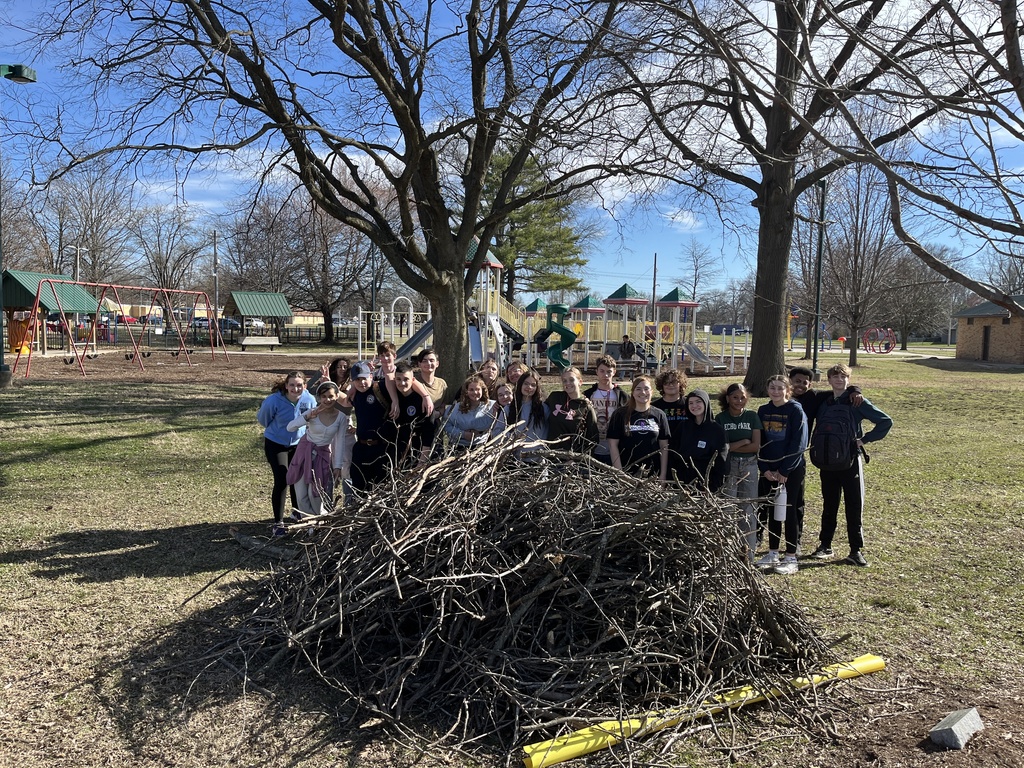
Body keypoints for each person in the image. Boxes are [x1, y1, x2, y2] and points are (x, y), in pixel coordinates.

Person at [810, 363, 893, 567]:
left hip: (850, 461)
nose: (839, 380)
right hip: (827, 461)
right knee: (829, 504)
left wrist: (864, 440)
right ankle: (825, 545)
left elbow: (885, 421)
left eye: (843, 377)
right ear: (828, 380)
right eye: (835, 376)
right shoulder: (823, 401)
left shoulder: (857, 402)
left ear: (849, 380)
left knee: (854, 505)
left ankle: (855, 550)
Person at [754, 375, 808, 575]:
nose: (776, 391)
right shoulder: (763, 410)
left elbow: (798, 443)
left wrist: (785, 470)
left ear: (787, 390)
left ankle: (791, 556)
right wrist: (765, 469)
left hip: (790, 471)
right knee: (772, 511)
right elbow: (759, 441)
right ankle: (773, 552)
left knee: (790, 512)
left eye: (780, 388)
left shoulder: (795, 410)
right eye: (772, 388)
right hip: (769, 470)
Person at [256, 371, 317, 536]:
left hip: (299, 444)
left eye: (299, 385)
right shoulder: (273, 401)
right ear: (286, 385)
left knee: (297, 478)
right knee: (282, 478)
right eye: (292, 385)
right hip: (276, 444)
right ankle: (278, 523)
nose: (295, 388)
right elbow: (263, 419)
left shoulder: (309, 400)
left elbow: (312, 420)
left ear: (304, 386)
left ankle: (297, 512)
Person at [286, 381, 350, 516]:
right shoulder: (313, 412)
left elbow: (340, 442)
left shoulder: (341, 418)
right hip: (304, 452)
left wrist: (338, 466)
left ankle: (318, 520)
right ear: (319, 398)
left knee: (315, 493)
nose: (327, 400)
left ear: (337, 396)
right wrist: (307, 417)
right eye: (324, 396)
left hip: (322, 455)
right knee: (301, 493)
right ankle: (308, 523)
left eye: (331, 396)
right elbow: (290, 427)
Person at [715, 383, 762, 558]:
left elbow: (756, 446)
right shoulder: (721, 418)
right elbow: (723, 448)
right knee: (727, 508)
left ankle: (748, 554)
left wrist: (735, 446)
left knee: (748, 508)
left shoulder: (752, 417)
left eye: (742, 397)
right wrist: (743, 442)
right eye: (735, 397)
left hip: (749, 465)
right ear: (728, 399)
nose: (739, 400)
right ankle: (727, 553)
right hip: (729, 465)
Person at [606, 375, 670, 482]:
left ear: (652, 391)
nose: (643, 392)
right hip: (626, 473)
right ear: (633, 392)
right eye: (638, 389)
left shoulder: (659, 415)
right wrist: (620, 474)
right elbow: (613, 444)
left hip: (653, 475)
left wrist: (663, 475)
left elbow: (664, 447)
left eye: (646, 389)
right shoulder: (620, 414)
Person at [380, 362, 437, 470]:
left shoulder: (422, 403)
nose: (402, 383)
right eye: (398, 379)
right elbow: (381, 379)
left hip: (416, 455)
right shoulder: (392, 396)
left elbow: (428, 435)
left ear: (413, 380)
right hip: (394, 456)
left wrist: (421, 463)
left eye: (406, 379)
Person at [348, 361, 391, 494]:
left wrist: (425, 397)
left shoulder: (380, 388)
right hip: (361, 448)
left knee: (380, 488)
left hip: (381, 448)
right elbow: (337, 400)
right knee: (359, 487)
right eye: (358, 380)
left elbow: (401, 380)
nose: (362, 383)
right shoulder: (354, 394)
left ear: (371, 376)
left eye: (364, 379)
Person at [674, 388, 727, 491]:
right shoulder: (683, 427)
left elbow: (722, 461)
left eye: (698, 402)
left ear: (706, 403)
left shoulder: (717, 430)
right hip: (682, 481)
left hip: (706, 482)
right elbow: (673, 452)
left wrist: (715, 486)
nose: (694, 406)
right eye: (691, 403)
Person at [441, 374, 505, 450]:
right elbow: (446, 425)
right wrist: (463, 434)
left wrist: (478, 432)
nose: (475, 392)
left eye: (478, 389)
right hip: (458, 446)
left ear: (482, 390)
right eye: (471, 389)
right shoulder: (455, 408)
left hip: (481, 446)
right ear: (466, 391)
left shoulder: (492, 406)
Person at [585, 354, 629, 464]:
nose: (605, 375)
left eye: (609, 371)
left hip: (615, 445)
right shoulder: (588, 395)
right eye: (602, 371)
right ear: (596, 371)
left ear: (614, 372)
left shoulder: (622, 396)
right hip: (593, 443)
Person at [546, 366, 599, 454]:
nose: (568, 383)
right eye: (564, 381)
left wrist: (576, 459)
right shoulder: (554, 398)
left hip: (572, 460)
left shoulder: (585, 407)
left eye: (571, 380)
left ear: (580, 382)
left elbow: (593, 439)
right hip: (552, 455)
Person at [653, 368, 689, 482]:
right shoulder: (654, 407)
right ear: (661, 386)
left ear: (680, 384)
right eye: (666, 383)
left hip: (685, 454)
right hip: (661, 454)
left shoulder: (690, 404)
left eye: (674, 382)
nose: (670, 385)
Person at [510, 367, 548, 454]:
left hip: (537, 457)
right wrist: (511, 438)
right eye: (526, 384)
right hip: (514, 458)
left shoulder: (543, 408)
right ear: (520, 385)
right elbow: (498, 431)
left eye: (533, 385)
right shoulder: (510, 407)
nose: (529, 387)